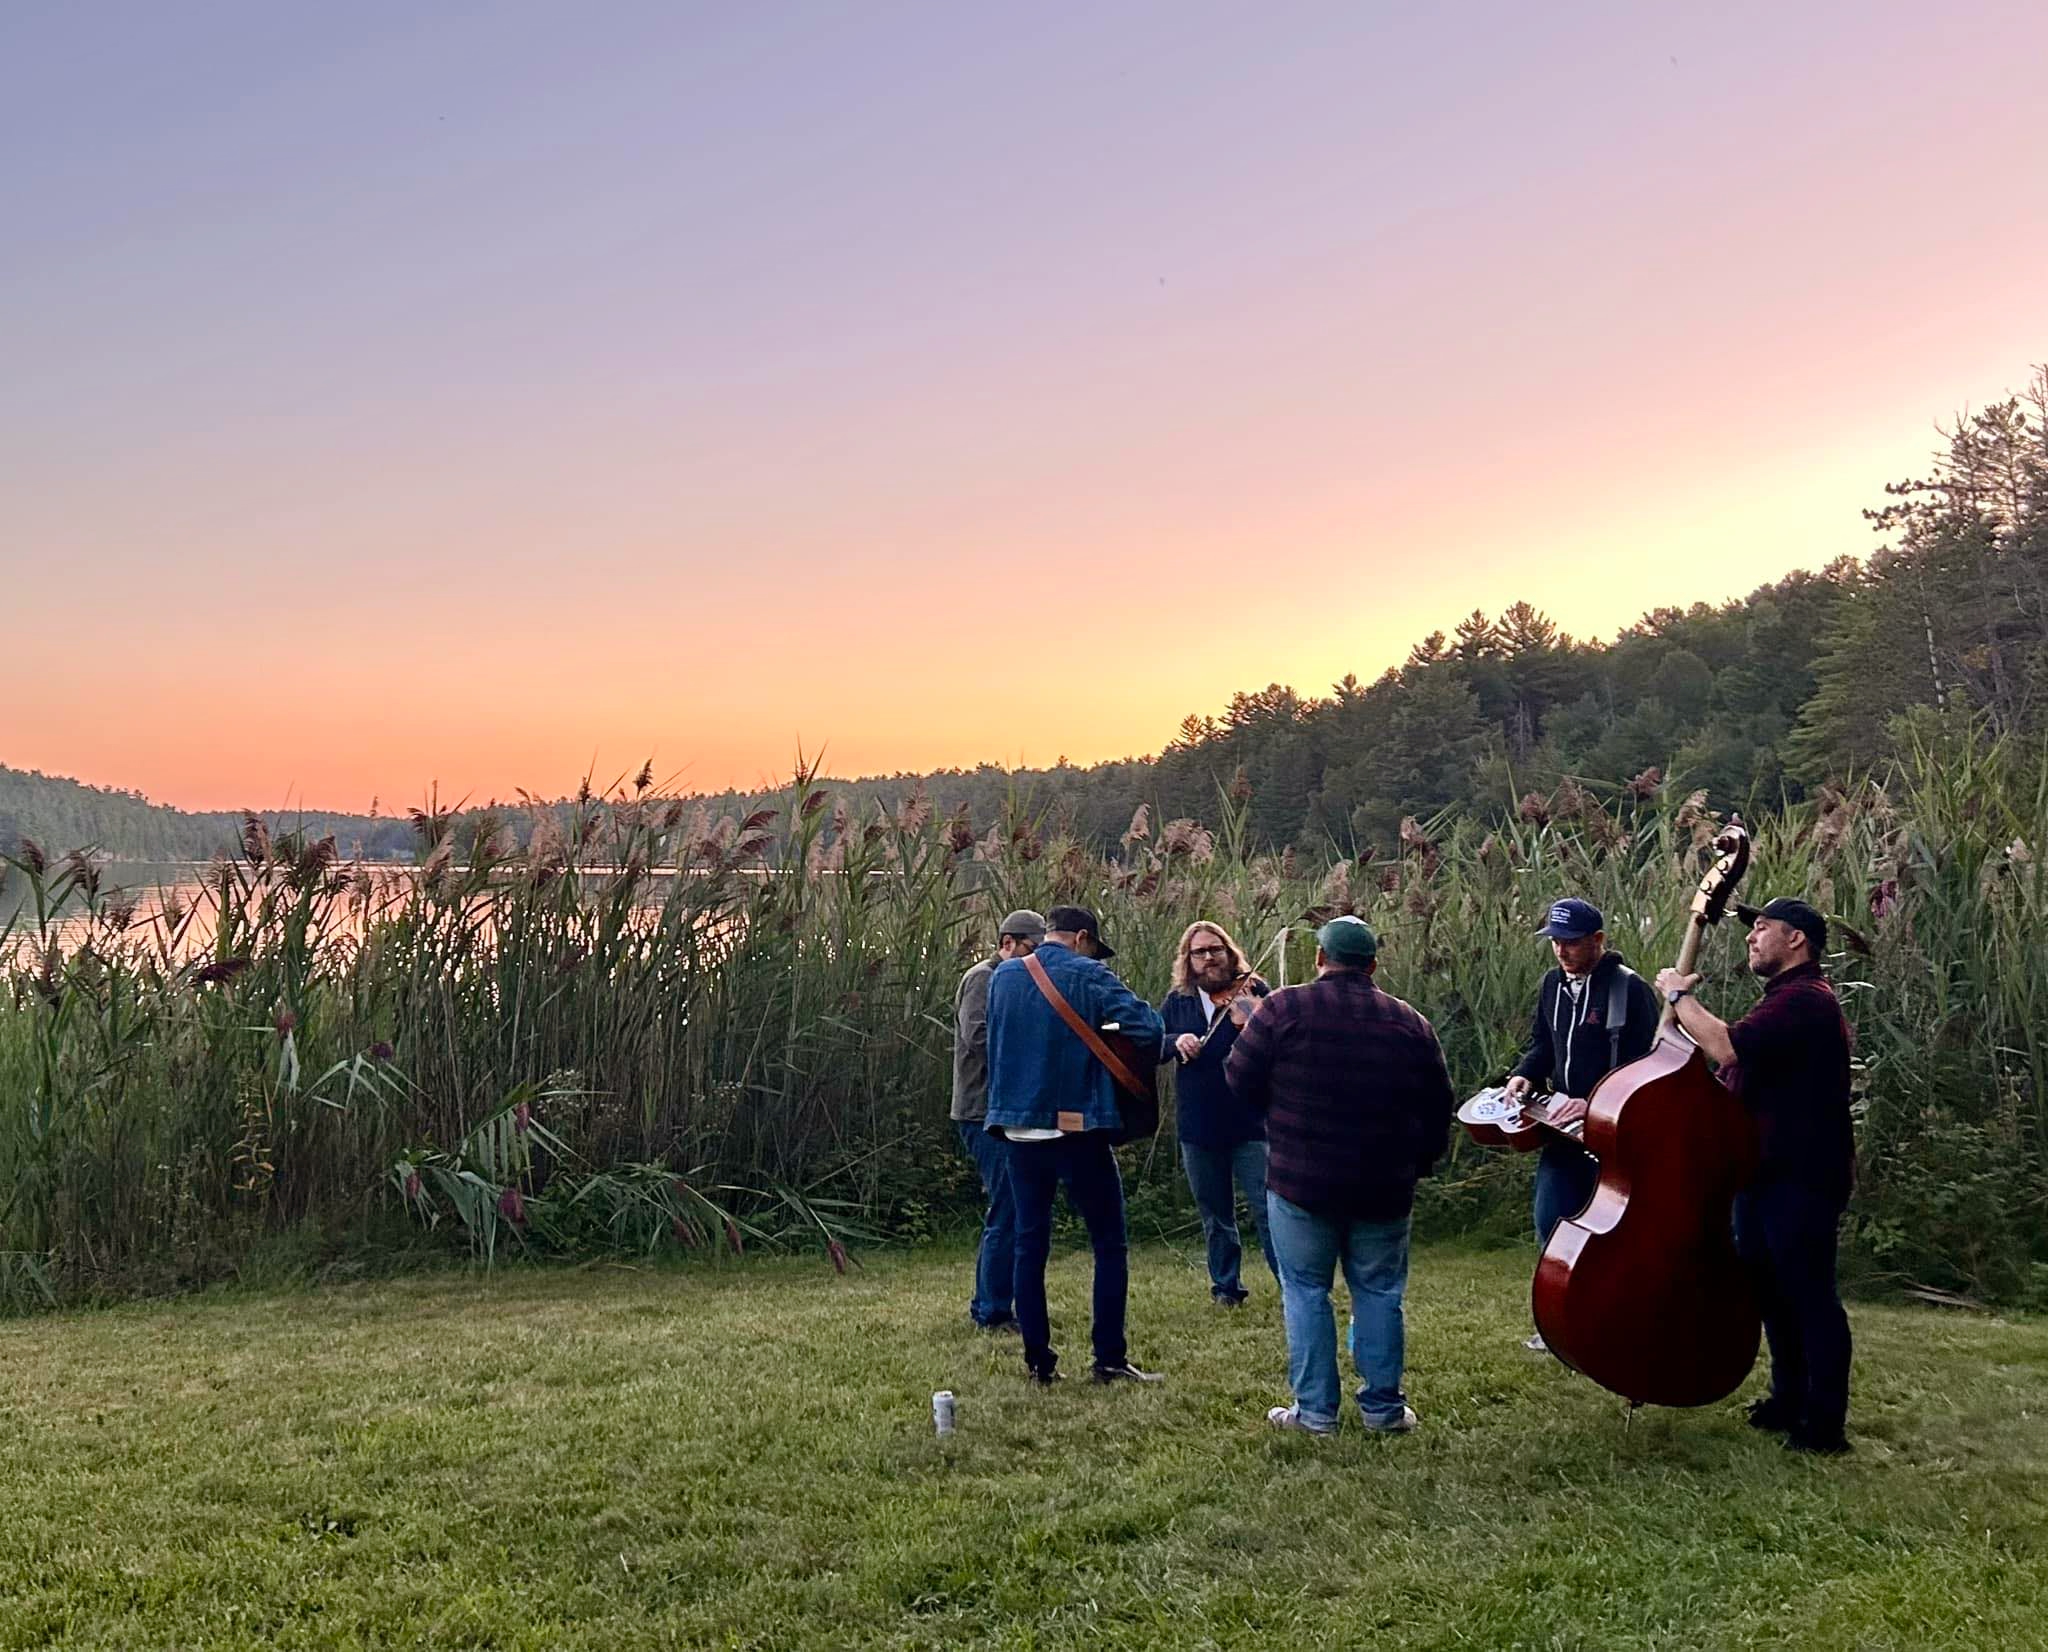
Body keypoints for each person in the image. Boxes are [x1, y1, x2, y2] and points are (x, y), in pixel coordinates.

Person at [1224, 916, 1454, 1436]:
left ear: (1320, 960)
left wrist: (1279, 1115)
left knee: (1305, 1291)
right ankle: (1383, 1410)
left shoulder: (1282, 1008)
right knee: (1378, 1291)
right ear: (1373, 965)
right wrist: (1420, 1165)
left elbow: (1238, 1078)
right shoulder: (1410, 1022)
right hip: (1384, 1184)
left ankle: (1316, 1413)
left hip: (1300, 1181)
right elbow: (1438, 1104)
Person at [1657, 896, 1856, 1455]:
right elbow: (1735, 1065)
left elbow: (1726, 1045)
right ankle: (1787, 1399)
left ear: (1797, 940)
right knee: (1773, 1294)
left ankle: (1825, 1426)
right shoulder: (1782, 1001)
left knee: (1810, 1296)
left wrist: (1677, 994)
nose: (1751, 936)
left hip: (1801, 1176)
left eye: (1763, 927)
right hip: (1762, 1172)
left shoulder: (1805, 1000)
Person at [985, 904, 1167, 1386]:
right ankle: (1108, 1358)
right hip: (1077, 1126)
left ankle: (1038, 1362)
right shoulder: (1088, 974)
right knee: (1109, 1243)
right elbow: (1149, 1030)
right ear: (1082, 937)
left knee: (1030, 1243)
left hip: (1016, 1126)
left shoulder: (1002, 977)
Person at [1504, 896, 1659, 1351]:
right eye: (1554, 942)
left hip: (1614, 1134)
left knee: (1614, 1233)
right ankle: (1561, 1318)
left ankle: (1615, 1320)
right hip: (1560, 1133)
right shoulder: (1551, 984)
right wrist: (1525, 1073)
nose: (1561, 951)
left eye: (1571, 942)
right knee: (1550, 1219)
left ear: (1598, 941)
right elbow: (1543, 1045)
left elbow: (1646, 1066)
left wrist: (1590, 1101)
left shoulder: (1629, 990)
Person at [1158, 920, 1276, 1306]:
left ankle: (1292, 1284)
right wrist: (1177, 1041)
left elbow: (1279, 1042)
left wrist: (1253, 1029)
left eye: (1216, 949)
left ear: (1229, 952)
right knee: (1215, 1213)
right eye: (1200, 952)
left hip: (1250, 1122)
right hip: (1199, 1122)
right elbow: (1153, 1043)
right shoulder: (1179, 1002)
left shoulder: (1254, 991)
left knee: (1267, 1208)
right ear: (1188, 961)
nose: (1209, 957)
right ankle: (1227, 1287)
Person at [949, 908, 1047, 1333]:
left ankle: (1006, 1303)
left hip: (1011, 1110)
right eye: (1032, 949)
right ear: (1008, 942)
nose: (1036, 959)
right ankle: (990, 1309)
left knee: (1018, 1205)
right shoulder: (983, 978)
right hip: (980, 1111)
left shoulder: (1021, 980)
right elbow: (977, 1036)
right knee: (1007, 1206)